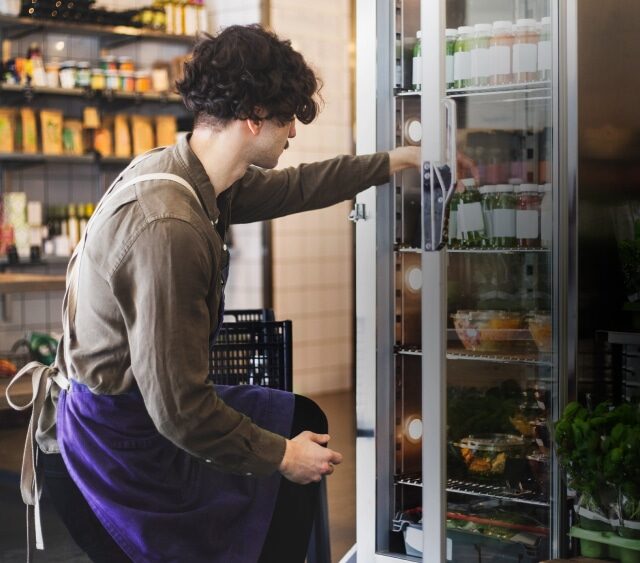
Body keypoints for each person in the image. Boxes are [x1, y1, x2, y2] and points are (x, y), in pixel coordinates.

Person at [7, 24, 420, 563]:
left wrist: (394, 162)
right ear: (253, 118)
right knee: (286, 463)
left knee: (302, 420)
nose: (292, 132)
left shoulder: (188, 172)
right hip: (116, 442)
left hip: (135, 410)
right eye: (287, 117)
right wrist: (279, 458)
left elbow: (298, 186)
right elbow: (180, 411)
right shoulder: (168, 229)